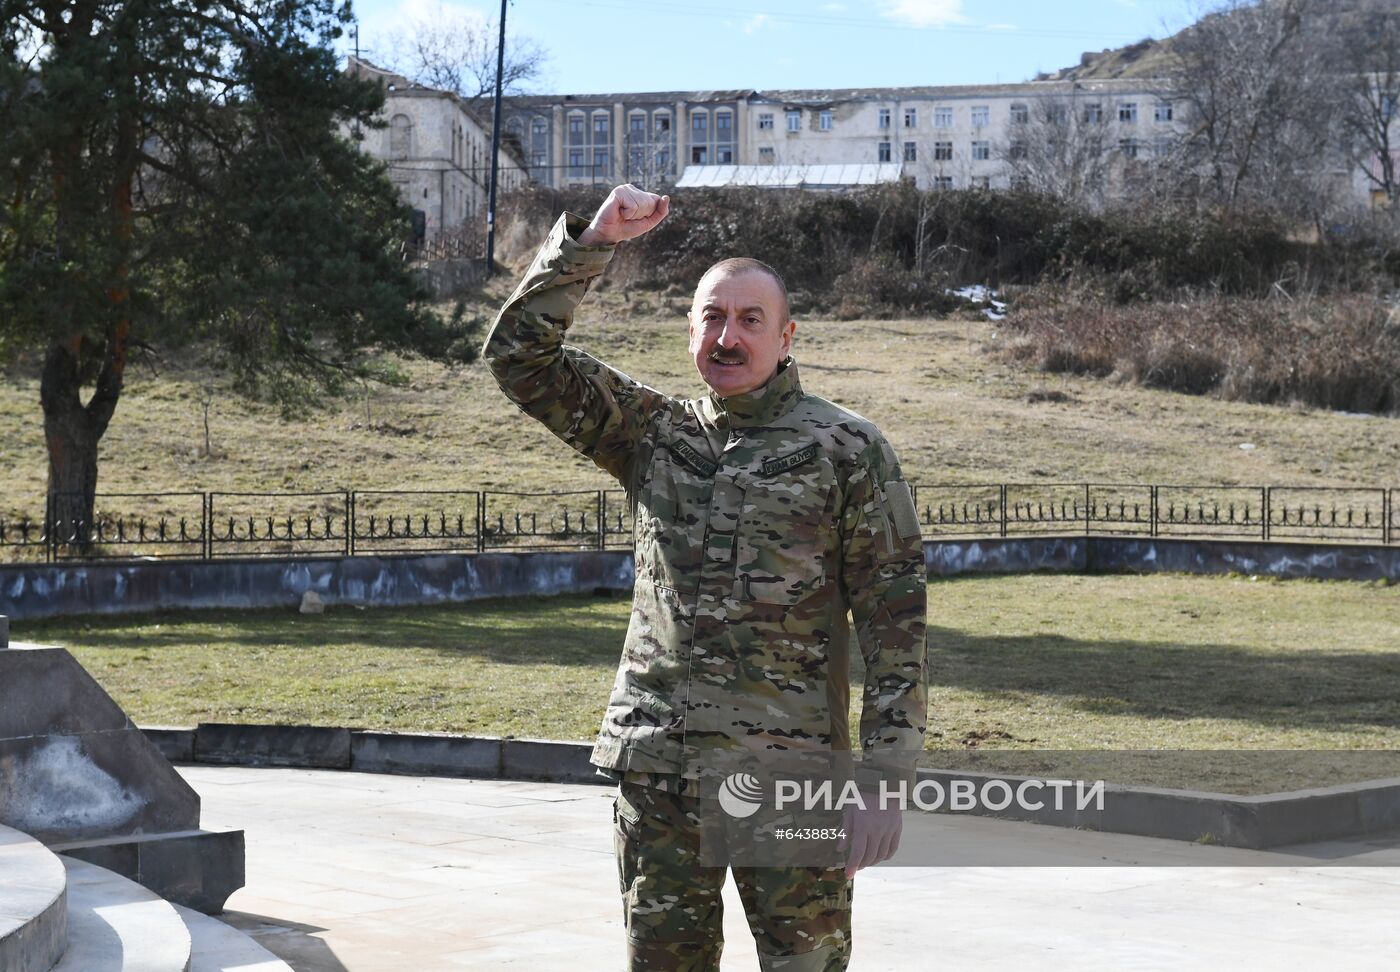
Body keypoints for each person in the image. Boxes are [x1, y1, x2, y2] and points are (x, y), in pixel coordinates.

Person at [484, 184, 927, 972]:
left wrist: (884, 781)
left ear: (787, 336)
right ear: (691, 329)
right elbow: (519, 355)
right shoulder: (651, 434)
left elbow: (895, 629)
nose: (729, 336)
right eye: (712, 318)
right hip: (659, 771)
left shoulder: (848, 450)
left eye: (750, 320)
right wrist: (592, 243)